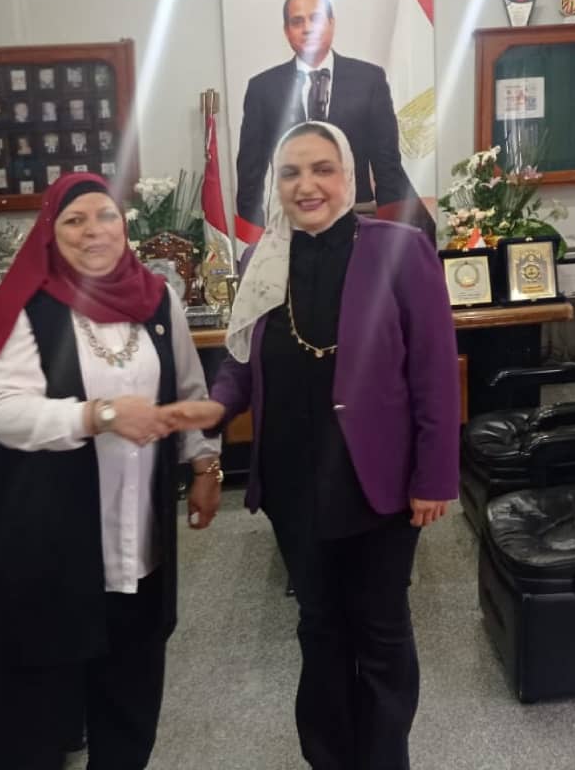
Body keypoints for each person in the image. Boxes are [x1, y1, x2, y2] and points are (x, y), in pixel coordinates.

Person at [173, 122, 459, 770]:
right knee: (320, 626)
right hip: (293, 479)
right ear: (276, 185)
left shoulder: (400, 248)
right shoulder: (264, 257)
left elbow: (435, 373)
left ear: (348, 176)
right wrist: (216, 407)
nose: (307, 185)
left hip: (379, 481)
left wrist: (435, 477)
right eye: (291, 172)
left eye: (322, 169)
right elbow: (241, 362)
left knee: (381, 631)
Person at [0, 173, 223, 770]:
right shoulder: (27, 304)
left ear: (125, 226)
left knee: (129, 704)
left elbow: (186, 389)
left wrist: (204, 462)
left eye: (105, 216)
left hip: (138, 543)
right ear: (51, 232)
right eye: (74, 220)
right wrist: (96, 415)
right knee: (35, 723)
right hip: (47, 546)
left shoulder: (158, 299)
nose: (93, 231)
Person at [233, 0, 433, 243]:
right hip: (291, 228)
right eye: (297, 21)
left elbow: (388, 168)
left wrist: (390, 236)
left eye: (315, 18)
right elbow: (250, 176)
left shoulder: (368, 80)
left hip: (358, 224)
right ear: (286, 31)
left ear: (331, 23)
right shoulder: (263, 88)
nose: (307, 28)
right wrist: (254, 241)